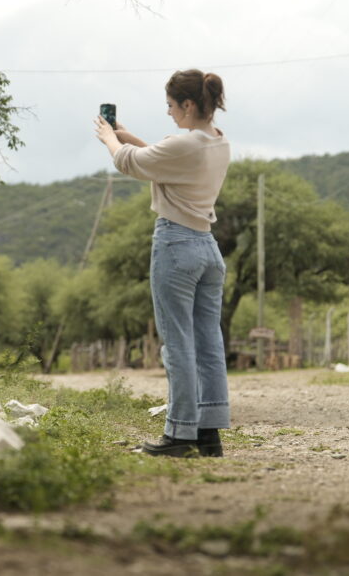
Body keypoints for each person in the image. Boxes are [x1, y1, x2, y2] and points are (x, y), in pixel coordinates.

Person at [94, 69, 231, 457]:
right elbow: (157, 156)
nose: (169, 113)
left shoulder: (183, 145)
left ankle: (181, 434)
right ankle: (209, 433)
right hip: (207, 248)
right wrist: (125, 134)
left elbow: (129, 163)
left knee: (178, 344)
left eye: (172, 106)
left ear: (188, 105)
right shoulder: (218, 142)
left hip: (176, 245)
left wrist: (108, 138)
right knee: (208, 342)